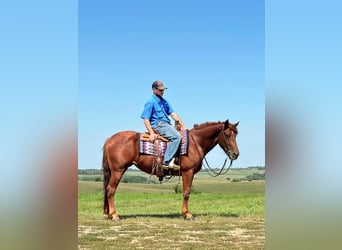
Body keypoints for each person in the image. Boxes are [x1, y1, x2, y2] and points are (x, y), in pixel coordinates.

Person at [141, 80, 187, 170]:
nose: (162, 92)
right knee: (176, 137)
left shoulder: (164, 101)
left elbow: (173, 114)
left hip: (166, 124)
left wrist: (183, 126)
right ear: (154, 90)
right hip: (158, 125)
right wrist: (151, 133)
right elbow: (146, 119)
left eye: (163, 90)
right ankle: (166, 162)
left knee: (182, 134)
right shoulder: (150, 102)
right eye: (160, 90)